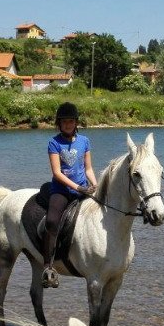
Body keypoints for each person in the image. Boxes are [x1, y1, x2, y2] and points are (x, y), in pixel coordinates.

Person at [42, 102, 97, 288]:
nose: (68, 124)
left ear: (76, 122)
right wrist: (77, 188)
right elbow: (57, 172)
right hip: (62, 190)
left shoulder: (85, 141)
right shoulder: (54, 142)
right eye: (64, 121)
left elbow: (88, 168)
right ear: (59, 123)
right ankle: (48, 266)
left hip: (82, 189)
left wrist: (95, 184)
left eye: (71, 121)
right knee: (51, 221)